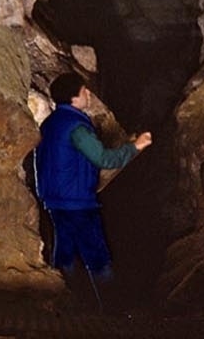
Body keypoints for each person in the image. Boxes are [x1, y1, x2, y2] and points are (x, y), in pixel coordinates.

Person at [31, 72, 151, 297]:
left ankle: (63, 302)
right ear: (74, 97)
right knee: (97, 258)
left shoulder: (49, 124)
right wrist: (136, 147)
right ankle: (111, 311)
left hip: (54, 201)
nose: (88, 94)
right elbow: (103, 158)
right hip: (77, 202)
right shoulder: (76, 127)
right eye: (85, 91)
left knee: (64, 253)